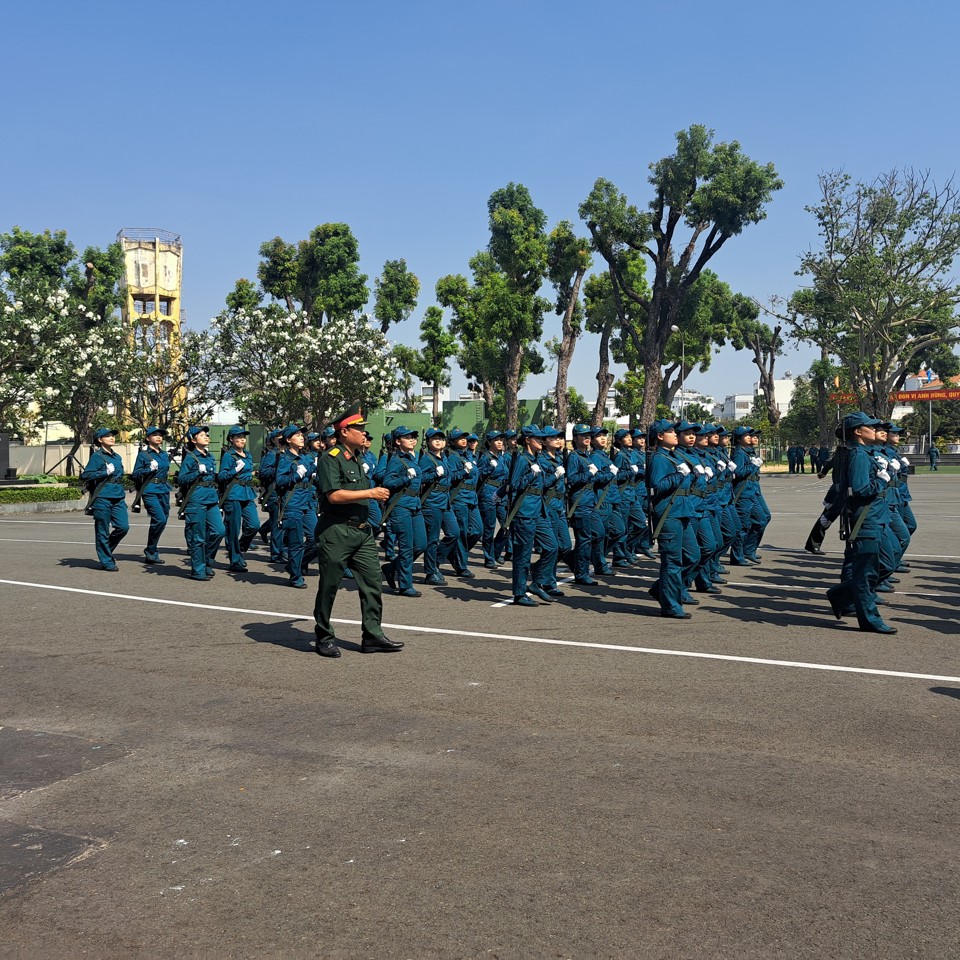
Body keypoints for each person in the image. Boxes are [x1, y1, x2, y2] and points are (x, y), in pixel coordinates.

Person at [313, 403, 402, 657]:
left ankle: (372, 636)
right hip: (336, 532)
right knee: (329, 586)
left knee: (373, 583)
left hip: (362, 533)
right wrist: (371, 493)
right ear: (343, 432)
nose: (364, 433)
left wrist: (374, 495)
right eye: (358, 428)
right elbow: (334, 496)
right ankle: (324, 636)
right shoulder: (330, 459)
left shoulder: (359, 458)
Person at [826, 413, 897, 634]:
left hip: (878, 516)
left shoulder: (866, 453)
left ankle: (839, 595)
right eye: (870, 426)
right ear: (858, 431)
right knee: (866, 573)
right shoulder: (858, 455)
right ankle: (870, 620)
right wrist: (882, 479)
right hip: (866, 520)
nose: (875, 430)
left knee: (883, 563)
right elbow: (860, 489)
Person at [647, 419, 700, 618]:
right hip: (669, 514)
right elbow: (656, 487)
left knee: (693, 555)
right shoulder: (659, 459)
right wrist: (679, 475)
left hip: (683, 510)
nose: (675, 434)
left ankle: (661, 589)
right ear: (660, 436)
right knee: (672, 561)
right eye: (670, 431)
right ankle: (670, 606)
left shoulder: (674, 456)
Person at [506, 424, 558, 605]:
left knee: (552, 547)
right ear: (527, 440)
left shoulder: (537, 459)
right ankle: (519, 593)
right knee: (523, 554)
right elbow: (514, 484)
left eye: (543, 438)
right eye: (538, 438)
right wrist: (530, 476)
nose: (542, 442)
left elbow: (542, 485)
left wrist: (556, 477)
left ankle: (537, 582)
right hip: (524, 511)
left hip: (539, 509)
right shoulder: (522, 459)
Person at [381, 426, 426, 597]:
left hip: (415, 504)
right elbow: (388, 482)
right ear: (398, 441)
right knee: (406, 547)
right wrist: (405, 478)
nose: (412, 440)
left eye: (414, 437)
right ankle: (405, 585)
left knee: (421, 544)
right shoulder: (395, 459)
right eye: (407, 437)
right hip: (400, 505)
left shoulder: (414, 458)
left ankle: (391, 568)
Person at [177, 425, 225, 581]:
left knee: (219, 531)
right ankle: (198, 569)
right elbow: (182, 480)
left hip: (211, 498)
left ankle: (206, 561)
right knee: (198, 537)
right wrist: (197, 472)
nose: (206, 436)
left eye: (206, 434)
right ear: (193, 439)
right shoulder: (190, 457)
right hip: (196, 500)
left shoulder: (209, 457)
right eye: (202, 435)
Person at [80, 427, 129, 571]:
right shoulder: (97, 456)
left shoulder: (117, 457)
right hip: (102, 497)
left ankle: (105, 550)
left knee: (123, 527)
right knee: (103, 530)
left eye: (113, 435)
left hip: (118, 496)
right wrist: (103, 472)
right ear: (100, 440)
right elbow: (86, 475)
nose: (112, 438)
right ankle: (107, 560)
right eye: (107, 436)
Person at [274, 424, 317, 588]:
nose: (301, 437)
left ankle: (295, 565)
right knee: (296, 542)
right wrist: (295, 475)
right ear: (288, 439)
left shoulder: (305, 457)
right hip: (292, 503)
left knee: (316, 540)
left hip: (308, 502)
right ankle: (295, 576)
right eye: (297, 435)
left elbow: (314, 474)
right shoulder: (284, 458)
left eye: (302, 435)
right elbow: (280, 481)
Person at [217, 425, 262, 573]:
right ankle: (235, 560)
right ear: (231, 439)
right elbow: (222, 476)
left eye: (243, 437)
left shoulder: (247, 455)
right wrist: (234, 470)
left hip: (247, 493)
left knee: (254, 525)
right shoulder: (229, 456)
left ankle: (240, 548)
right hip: (234, 494)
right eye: (238, 437)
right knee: (233, 529)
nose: (242, 439)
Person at [419, 427, 459, 586]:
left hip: (445, 500)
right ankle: (430, 572)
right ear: (428, 441)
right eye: (434, 438)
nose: (438, 441)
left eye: (441, 438)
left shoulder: (444, 458)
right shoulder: (426, 458)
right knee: (433, 539)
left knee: (454, 533)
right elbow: (420, 477)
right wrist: (434, 474)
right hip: (432, 501)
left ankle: (435, 563)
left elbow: (450, 477)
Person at [132, 425, 171, 564]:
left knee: (163, 520)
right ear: (148, 438)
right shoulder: (143, 455)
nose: (159, 437)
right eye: (155, 435)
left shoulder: (165, 454)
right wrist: (148, 469)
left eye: (160, 435)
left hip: (164, 489)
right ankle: (151, 550)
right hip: (150, 489)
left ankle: (151, 549)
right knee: (159, 519)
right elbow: (135, 474)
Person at [477, 430, 508, 569]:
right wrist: (489, 468)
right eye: (496, 440)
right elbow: (479, 475)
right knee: (489, 528)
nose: (500, 442)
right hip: (488, 493)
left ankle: (496, 551)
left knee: (507, 524)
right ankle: (489, 558)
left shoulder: (502, 457)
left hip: (501, 493)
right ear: (489, 442)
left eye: (501, 439)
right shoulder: (485, 457)